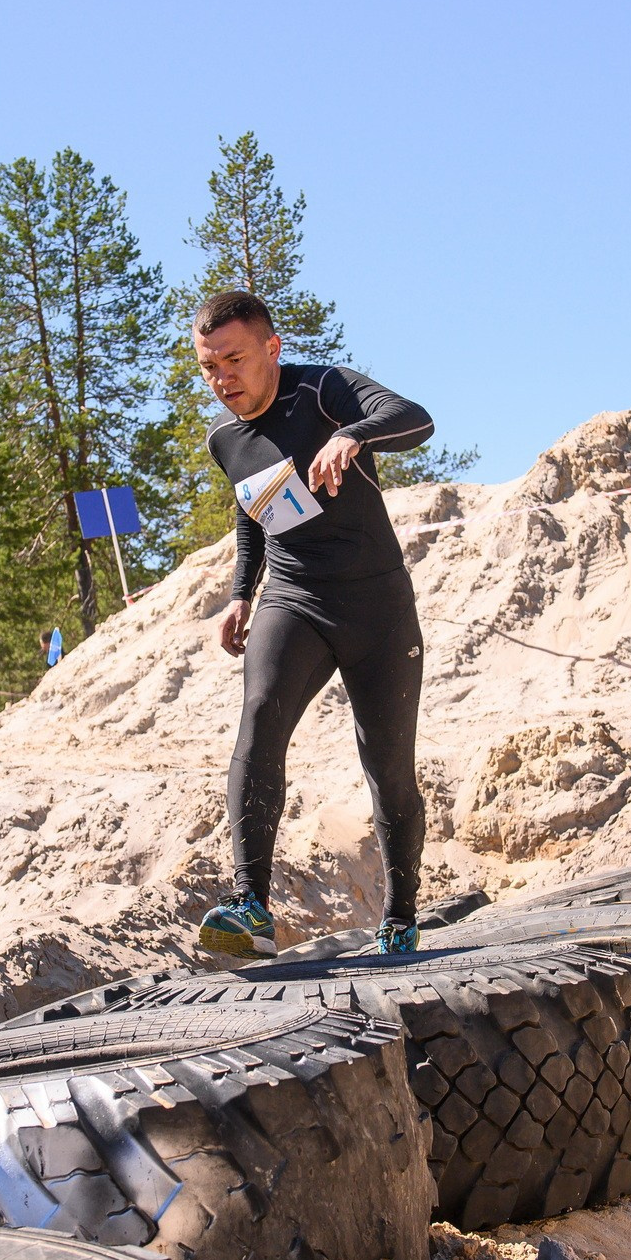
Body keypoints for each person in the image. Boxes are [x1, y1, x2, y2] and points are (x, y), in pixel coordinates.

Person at [192, 290, 435, 959]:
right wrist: (241, 594)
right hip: (294, 598)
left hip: (378, 608)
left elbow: (415, 419)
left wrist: (351, 434)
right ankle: (249, 906)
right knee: (261, 714)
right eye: (209, 367)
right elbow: (252, 512)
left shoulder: (323, 391)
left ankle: (401, 914)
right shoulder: (225, 441)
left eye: (234, 360)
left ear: (271, 348)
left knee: (388, 766)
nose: (222, 379)